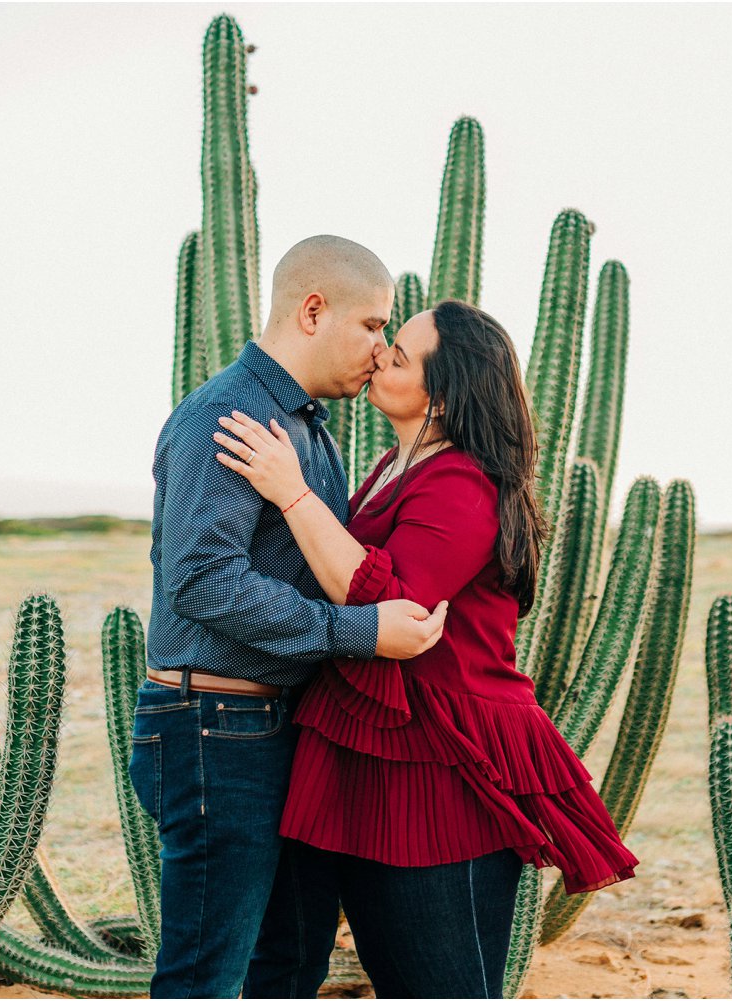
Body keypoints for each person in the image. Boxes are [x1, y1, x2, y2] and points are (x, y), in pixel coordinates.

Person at [214, 299, 641, 998]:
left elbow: (389, 604)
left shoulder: (463, 481)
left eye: (401, 354)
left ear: (442, 397)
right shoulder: (395, 462)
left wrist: (291, 494)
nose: (380, 354)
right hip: (371, 742)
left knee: (440, 985)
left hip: (443, 764)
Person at [133, 234, 451, 999]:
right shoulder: (231, 414)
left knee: (288, 965)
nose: (381, 350)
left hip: (270, 728)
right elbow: (203, 580)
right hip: (213, 723)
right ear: (314, 310)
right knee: (204, 977)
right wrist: (360, 632)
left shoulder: (308, 427)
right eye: (373, 326)